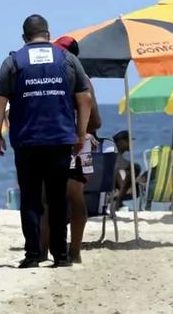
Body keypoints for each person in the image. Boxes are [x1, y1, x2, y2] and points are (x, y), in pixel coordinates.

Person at [0, 14, 92, 268]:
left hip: (27, 141)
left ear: (24, 37)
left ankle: (34, 255)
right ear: (48, 35)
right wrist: (80, 134)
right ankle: (61, 255)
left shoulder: (13, 61)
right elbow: (85, 99)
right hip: (60, 139)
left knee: (31, 198)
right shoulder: (67, 59)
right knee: (57, 197)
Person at [38, 35, 101, 263]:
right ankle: (75, 252)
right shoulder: (85, 79)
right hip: (79, 141)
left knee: (47, 199)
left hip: (54, 140)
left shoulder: (51, 76)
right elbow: (97, 121)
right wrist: (83, 131)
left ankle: (44, 250)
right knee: (76, 198)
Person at [112, 130, 142, 210]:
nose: (131, 144)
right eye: (128, 141)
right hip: (114, 186)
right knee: (134, 168)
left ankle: (119, 201)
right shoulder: (116, 157)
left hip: (112, 185)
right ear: (121, 142)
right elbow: (118, 168)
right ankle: (118, 201)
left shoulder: (112, 154)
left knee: (133, 168)